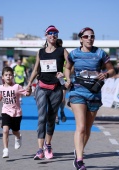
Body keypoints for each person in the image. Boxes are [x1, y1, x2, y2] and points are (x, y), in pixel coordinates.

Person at [64, 27, 115, 170]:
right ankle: (79, 160)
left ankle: (78, 150)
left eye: (92, 36)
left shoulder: (100, 53)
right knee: (80, 127)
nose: (89, 38)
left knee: (87, 129)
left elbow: (111, 69)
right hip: (77, 93)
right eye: (86, 36)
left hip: (94, 94)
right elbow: (67, 68)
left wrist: (105, 74)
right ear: (81, 39)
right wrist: (68, 79)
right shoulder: (74, 54)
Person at [26, 25, 69, 160]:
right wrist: (28, 84)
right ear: (46, 35)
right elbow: (35, 69)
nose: (53, 35)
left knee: (51, 118)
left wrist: (65, 75)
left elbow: (70, 66)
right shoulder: (41, 52)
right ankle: (39, 149)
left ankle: (48, 145)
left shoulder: (62, 51)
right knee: (42, 117)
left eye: (55, 33)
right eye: (50, 33)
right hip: (41, 87)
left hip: (56, 89)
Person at [0, 66, 32, 158]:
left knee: (15, 131)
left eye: (10, 75)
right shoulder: (0, 88)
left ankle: (18, 137)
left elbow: (27, 93)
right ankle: (5, 150)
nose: (8, 77)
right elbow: (0, 96)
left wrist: (29, 90)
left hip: (16, 112)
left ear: (13, 76)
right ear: (2, 77)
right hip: (5, 111)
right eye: (6, 75)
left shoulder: (16, 87)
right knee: (5, 130)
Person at [55, 38, 67, 124]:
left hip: (63, 80)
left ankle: (62, 111)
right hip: (54, 80)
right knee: (54, 100)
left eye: (60, 44)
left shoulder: (64, 53)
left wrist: (66, 74)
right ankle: (56, 116)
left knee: (62, 99)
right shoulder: (52, 53)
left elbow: (71, 66)